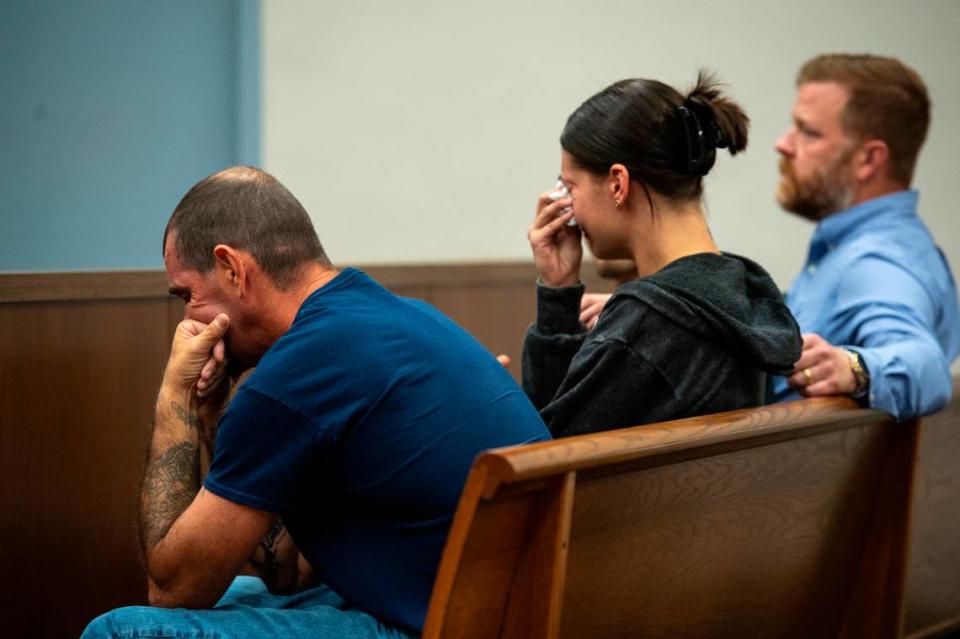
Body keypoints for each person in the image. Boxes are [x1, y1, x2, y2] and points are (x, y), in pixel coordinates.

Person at [81, 167, 550, 639]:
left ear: (232, 268)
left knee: (121, 632)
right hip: (510, 613)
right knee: (238, 593)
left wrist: (174, 397)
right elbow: (285, 573)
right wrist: (209, 414)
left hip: (441, 626)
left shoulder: (299, 368)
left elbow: (172, 586)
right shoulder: (396, 316)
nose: (187, 319)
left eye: (187, 295)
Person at [522, 72, 802, 438]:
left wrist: (557, 312)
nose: (567, 208)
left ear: (618, 184)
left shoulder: (645, 326)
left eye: (569, 187)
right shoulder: (743, 297)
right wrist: (562, 289)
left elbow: (544, 454)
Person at [767, 53, 960, 420]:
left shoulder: (876, 261)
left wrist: (852, 367)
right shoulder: (894, 246)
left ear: (869, 160)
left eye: (808, 132)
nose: (783, 144)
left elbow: (928, 366)